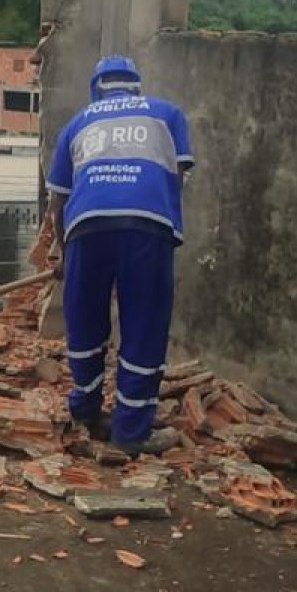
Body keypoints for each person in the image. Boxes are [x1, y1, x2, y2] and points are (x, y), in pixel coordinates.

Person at [46, 54, 194, 455]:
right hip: (148, 226)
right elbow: (177, 177)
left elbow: (57, 201)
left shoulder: (78, 123)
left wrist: (61, 252)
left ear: (97, 87)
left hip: (86, 227)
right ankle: (130, 432)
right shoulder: (167, 113)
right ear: (135, 85)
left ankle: (85, 412)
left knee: (85, 321)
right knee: (144, 325)